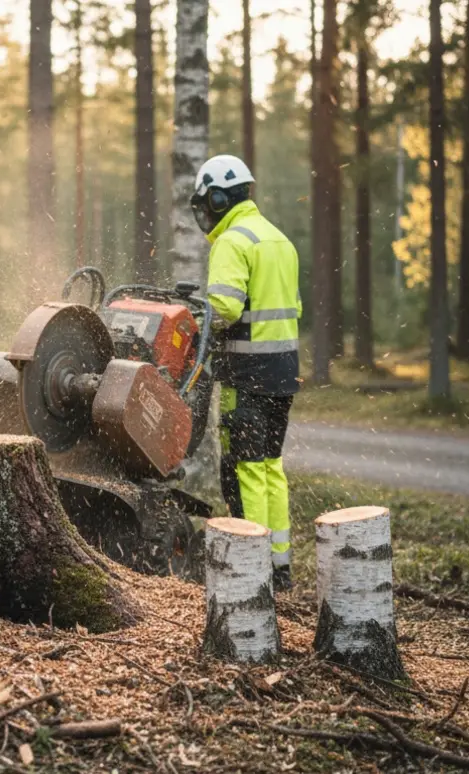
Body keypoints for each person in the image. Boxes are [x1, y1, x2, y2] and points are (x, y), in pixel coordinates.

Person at [189, 154, 301, 590]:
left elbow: (226, 308)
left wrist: (198, 320)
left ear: (216, 198)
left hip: (247, 374)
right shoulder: (279, 240)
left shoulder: (233, 242)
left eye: (206, 202)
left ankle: (253, 567)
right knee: (272, 466)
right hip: (283, 372)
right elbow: (293, 309)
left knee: (245, 469)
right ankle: (279, 564)